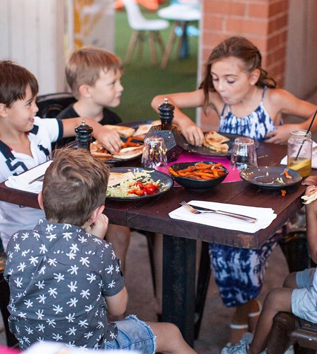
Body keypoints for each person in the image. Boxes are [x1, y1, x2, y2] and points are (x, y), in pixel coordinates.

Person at [151, 36, 317, 344]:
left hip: (271, 197)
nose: (221, 87)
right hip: (232, 194)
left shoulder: (273, 99)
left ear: (253, 76)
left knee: (244, 249)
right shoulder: (218, 98)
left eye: (230, 80)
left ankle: (241, 310)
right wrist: (179, 118)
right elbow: (159, 99)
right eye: (216, 79)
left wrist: (295, 129)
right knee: (221, 242)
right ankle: (247, 306)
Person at [4, 147, 197, 353]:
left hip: (35, 347)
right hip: (91, 347)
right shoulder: (98, 251)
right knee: (172, 334)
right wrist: (97, 243)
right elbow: (118, 308)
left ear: (41, 200)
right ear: (97, 213)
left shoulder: (18, 242)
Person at [221, 121, 317, 354]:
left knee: (275, 298)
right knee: (292, 280)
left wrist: (311, 213)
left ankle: (252, 351)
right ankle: (282, 342)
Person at [0, 60, 123, 253]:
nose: (36, 109)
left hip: (63, 228)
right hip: (24, 243)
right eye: (28, 104)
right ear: (4, 110)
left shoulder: (39, 129)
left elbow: (82, 121)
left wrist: (99, 131)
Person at [55, 46, 130, 272]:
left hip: (111, 197)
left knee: (125, 229)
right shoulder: (65, 124)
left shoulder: (112, 119)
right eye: (112, 83)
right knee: (118, 230)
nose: (121, 87)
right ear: (86, 90)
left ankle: (115, 290)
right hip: (76, 204)